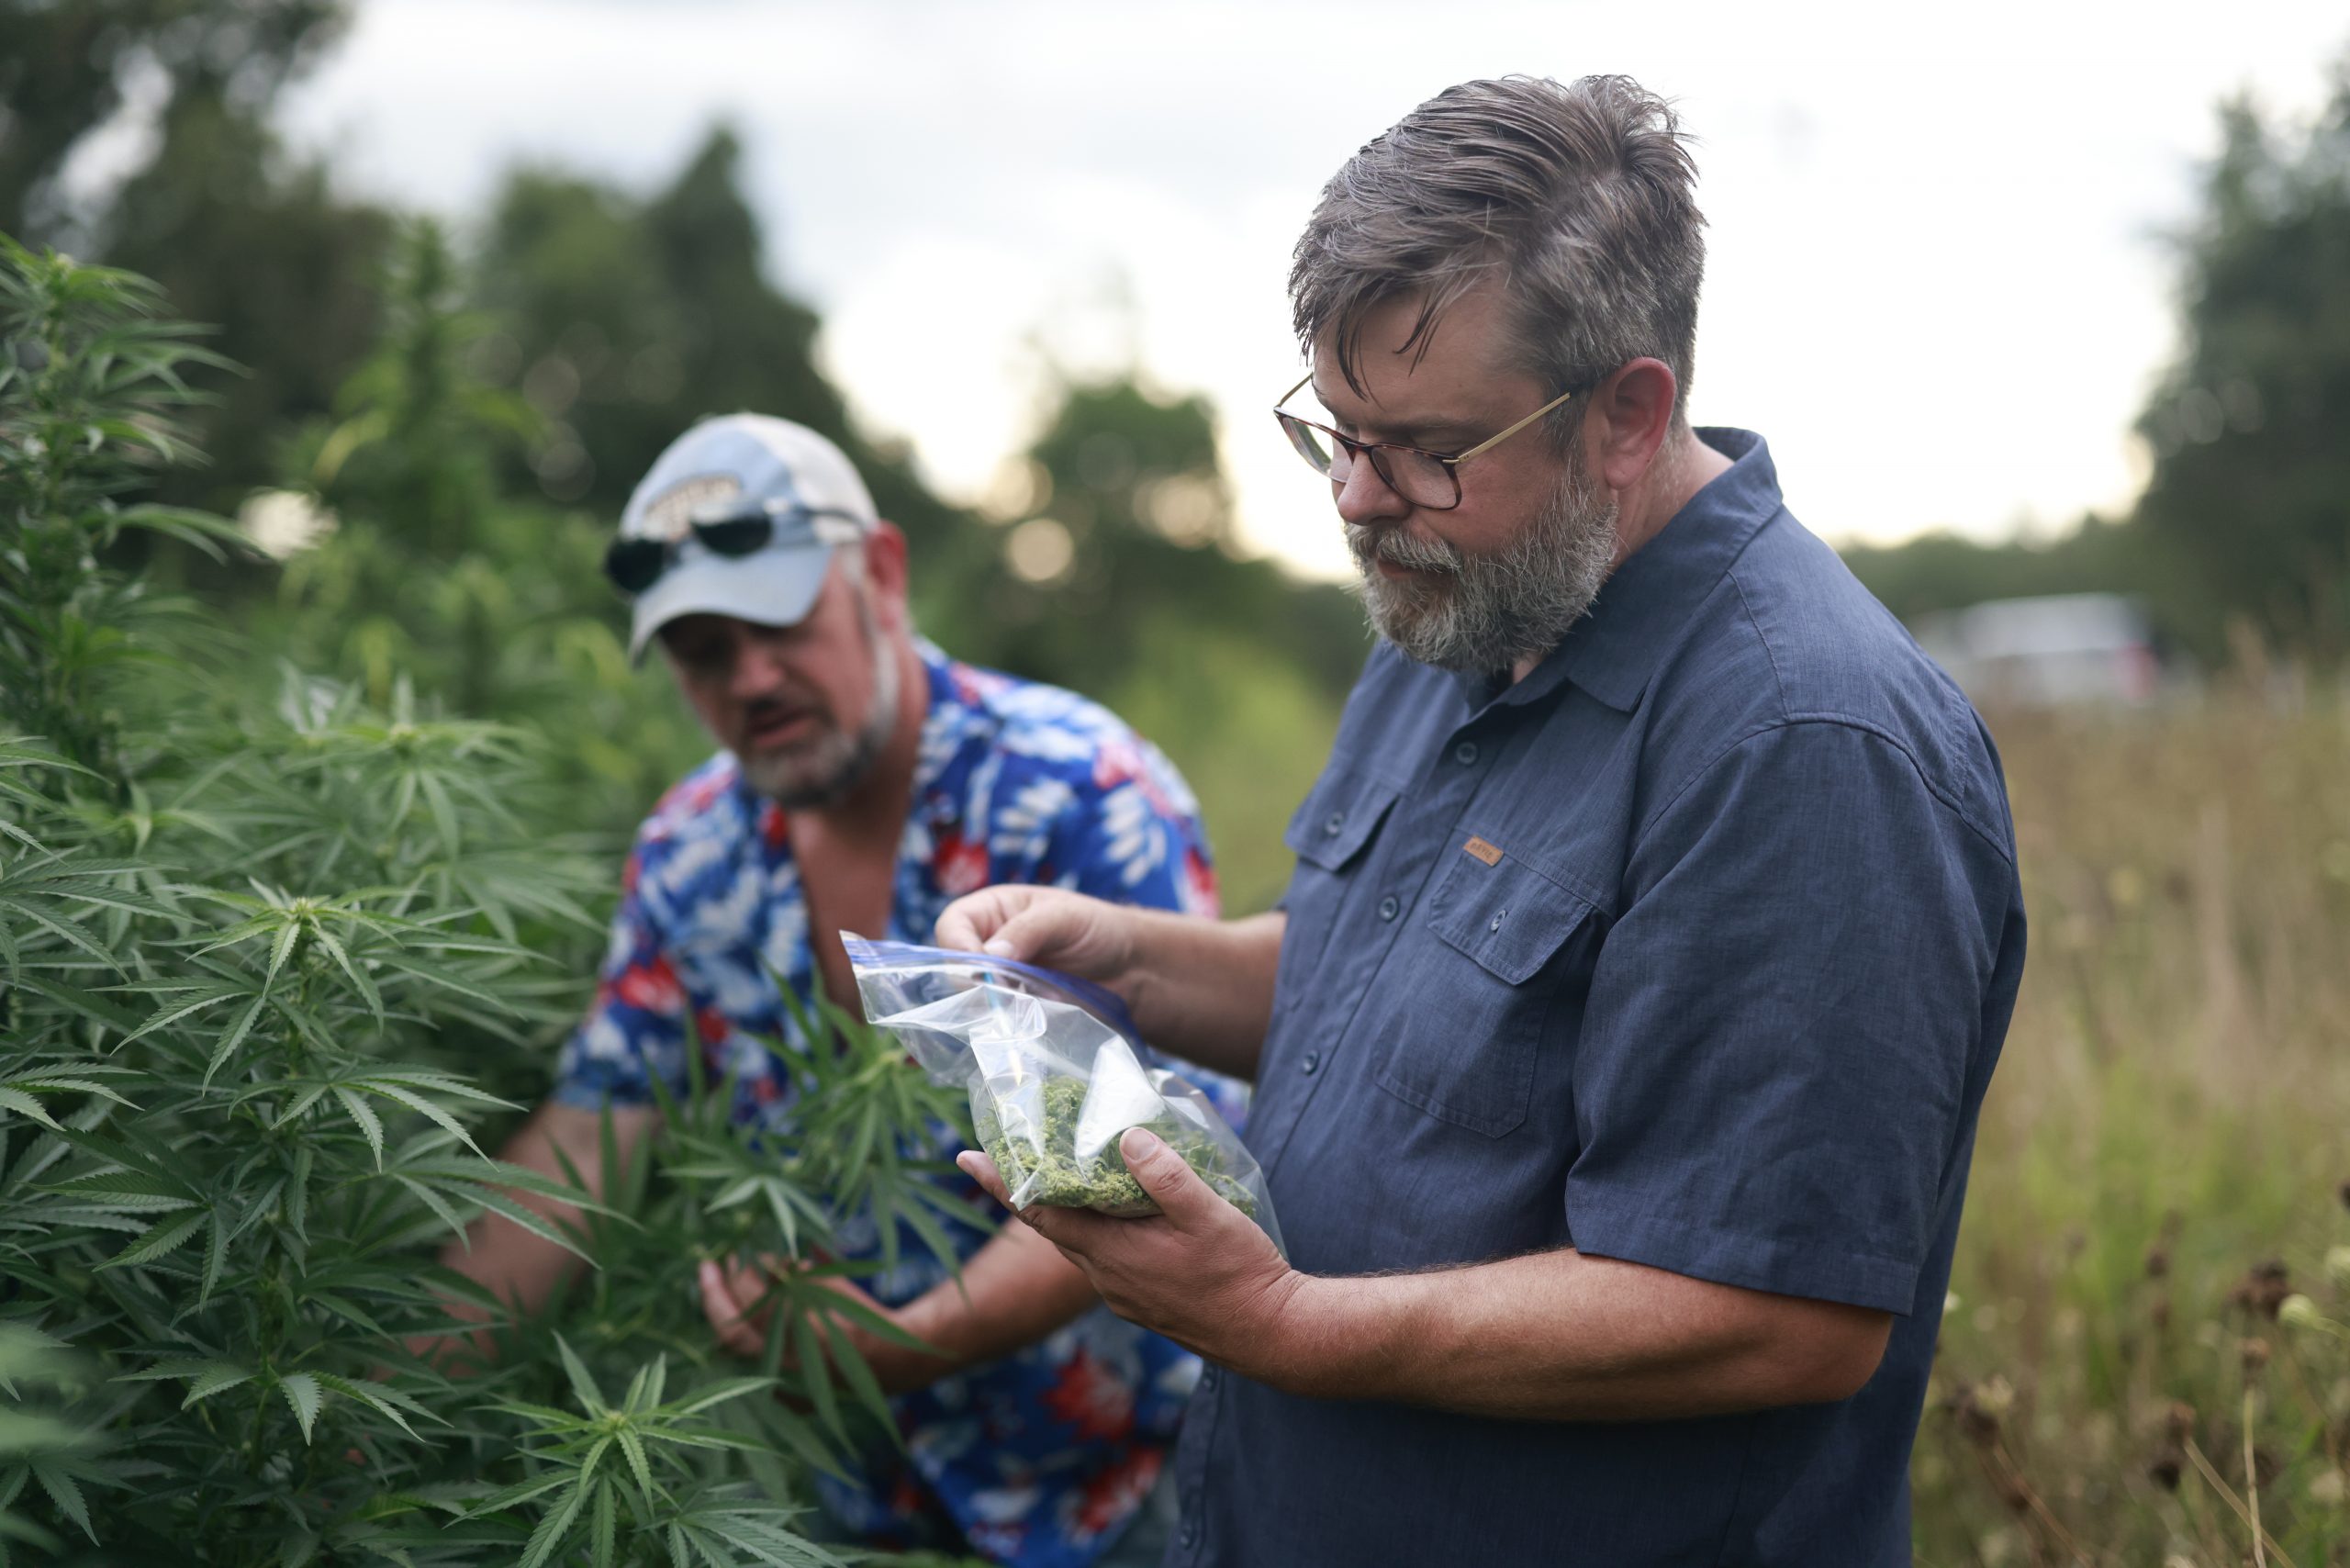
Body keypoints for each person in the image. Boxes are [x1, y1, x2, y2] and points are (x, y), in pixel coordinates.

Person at [936, 74, 2027, 1567]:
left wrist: (1283, 1322)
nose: (1354, 500)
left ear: (1628, 416)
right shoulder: (1461, 610)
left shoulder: (1801, 741)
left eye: (1424, 447)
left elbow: (1782, 1315)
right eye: (1334, 428)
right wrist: (1130, 966)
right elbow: (1389, 999)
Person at [435, 413, 1226, 1567]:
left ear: (883, 578)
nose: (751, 677)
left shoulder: (1074, 790)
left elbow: (1160, 1158)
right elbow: (581, 1147)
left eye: (777, 622)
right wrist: (364, 1414)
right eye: (705, 649)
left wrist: (902, 1345)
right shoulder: (690, 852)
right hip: (832, 1507)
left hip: (1115, 1493)